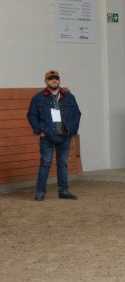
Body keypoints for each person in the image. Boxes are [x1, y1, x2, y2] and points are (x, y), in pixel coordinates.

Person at [27, 70, 81, 201]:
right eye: (51, 78)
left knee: (63, 164)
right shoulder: (38, 98)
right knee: (45, 163)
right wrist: (39, 130)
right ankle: (40, 192)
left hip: (65, 136)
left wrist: (73, 131)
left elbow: (77, 114)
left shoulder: (69, 97)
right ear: (46, 81)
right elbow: (31, 115)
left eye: (56, 78)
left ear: (59, 80)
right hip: (47, 137)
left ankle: (63, 191)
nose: (54, 80)